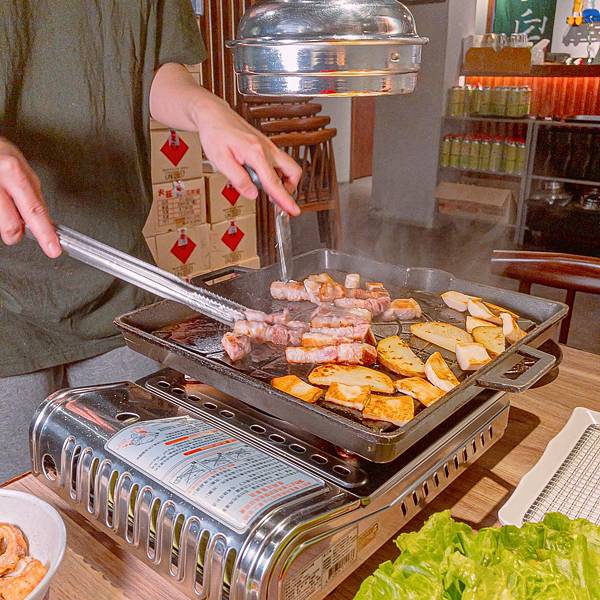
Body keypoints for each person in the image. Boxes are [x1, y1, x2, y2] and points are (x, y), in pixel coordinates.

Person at [0, 1, 301, 482]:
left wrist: (207, 109)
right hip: (6, 305)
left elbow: (151, 68)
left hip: (119, 280)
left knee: (141, 486)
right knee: (22, 506)